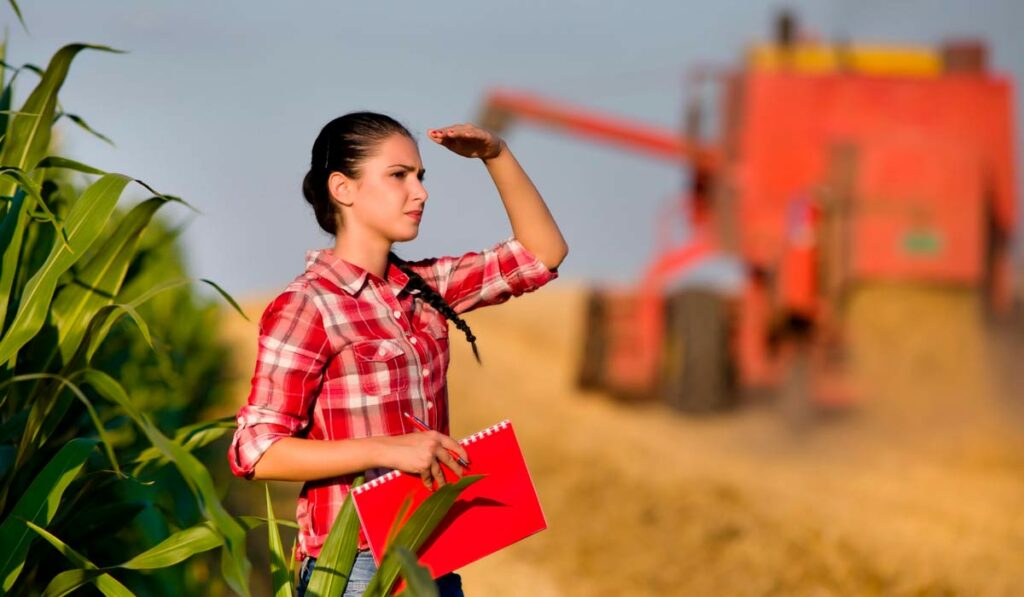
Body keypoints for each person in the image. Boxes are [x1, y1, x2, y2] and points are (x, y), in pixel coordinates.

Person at [227, 112, 567, 597]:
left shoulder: (425, 288)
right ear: (343, 188)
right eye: (398, 176)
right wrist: (386, 449)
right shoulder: (308, 305)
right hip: (352, 567)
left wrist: (497, 154)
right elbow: (256, 450)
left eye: (420, 177)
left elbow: (542, 254)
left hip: (430, 552)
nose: (420, 192)